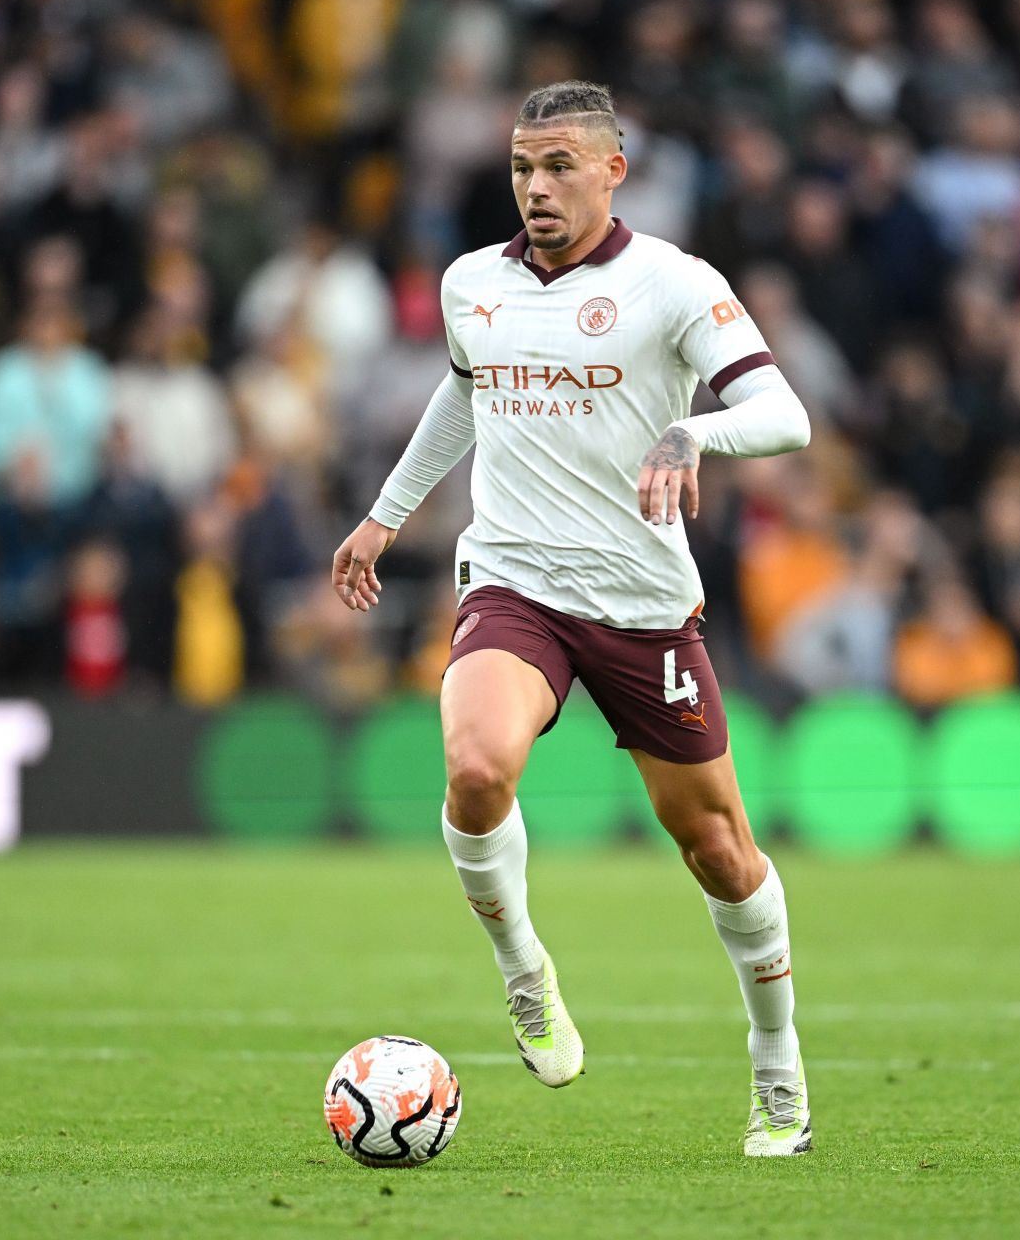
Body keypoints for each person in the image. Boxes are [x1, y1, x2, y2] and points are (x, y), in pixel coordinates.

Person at [330, 82, 814, 1157]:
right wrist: (383, 516)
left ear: (612, 171)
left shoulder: (674, 284)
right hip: (515, 581)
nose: (536, 188)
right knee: (473, 766)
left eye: (557, 167)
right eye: (520, 168)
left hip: (641, 604)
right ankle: (524, 973)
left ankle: (777, 1066)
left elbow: (786, 413)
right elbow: (466, 390)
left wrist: (696, 435)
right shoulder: (474, 283)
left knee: (720, 850)